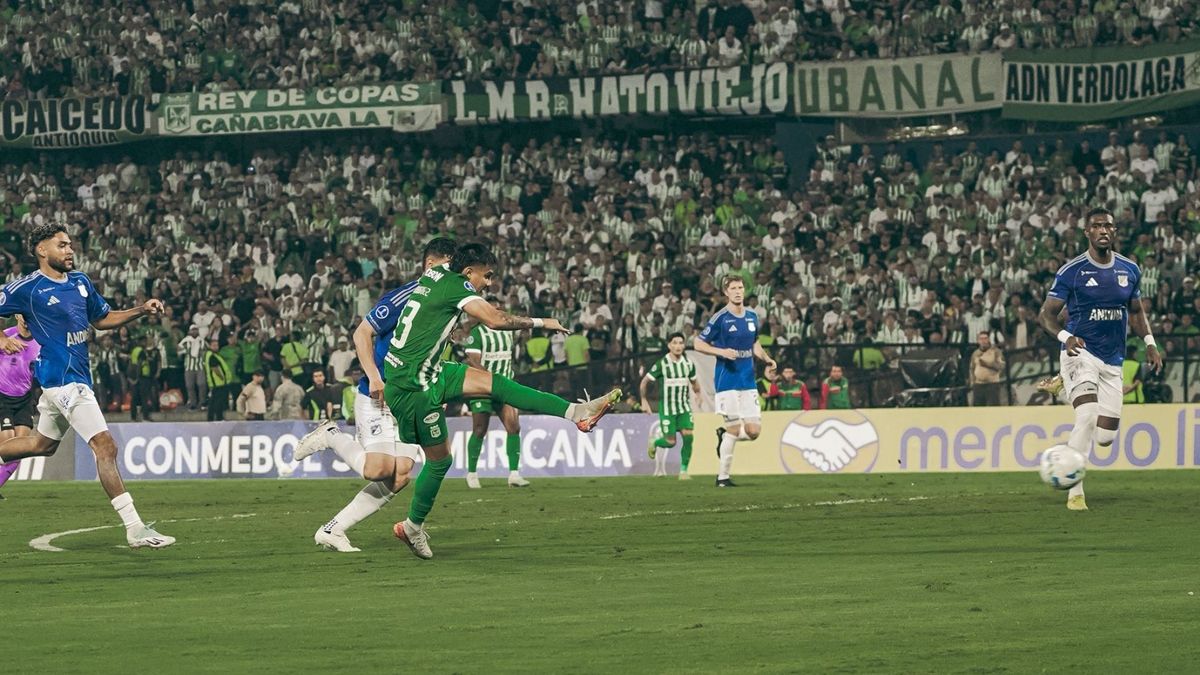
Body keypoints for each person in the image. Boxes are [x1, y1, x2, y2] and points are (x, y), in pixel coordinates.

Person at [300, 242, 618, 560]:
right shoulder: (456, 285)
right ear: (467, 272)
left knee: (497, 385)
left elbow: (442, 300)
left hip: (429, 371)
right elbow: (494, 319)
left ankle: (578, 412)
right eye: (487, 276)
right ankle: (411, 528)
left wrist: (457, 327)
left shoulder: (433, 276)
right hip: (412, 390)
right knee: (434, 462)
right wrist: (540, 323)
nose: (489, 283)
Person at [0, 223, 173, 547]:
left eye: (70, 245)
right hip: (61, 381)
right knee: (105, 447)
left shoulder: (80, 282)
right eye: (62, 245)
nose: (69, 250)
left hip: (75, 379)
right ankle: (135, 528)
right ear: (42, 250)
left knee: (42, 446)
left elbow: (101, 319)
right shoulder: (28, 288)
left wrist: (140, 309)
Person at [291, 238, 456, 552]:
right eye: (448, 269)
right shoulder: (405, 296)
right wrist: (374, 377)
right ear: (431, 265)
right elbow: (361, 333)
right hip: (378, 393)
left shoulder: (446, 301)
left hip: (410, 396)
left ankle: (333, 529)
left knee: (402, 474)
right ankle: (330, 435)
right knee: (378, 470)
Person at [1038, 206, 1162, 511]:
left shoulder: (1129, 270)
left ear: (1115, 231)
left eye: (1108, 226)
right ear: (1087, 232)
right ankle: (1075, 491)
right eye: (1097, 226)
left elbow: (1135, 311)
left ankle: (1063, 388)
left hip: (1112, 360)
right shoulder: (1072, 271)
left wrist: (1149, 343)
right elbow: (1046, 315)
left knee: (1105, 437)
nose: (1103, 230)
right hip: (1080, 354)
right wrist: (1066, 339)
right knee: (1087, 416)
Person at [694, 275, 776, 487]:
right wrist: (720, 351)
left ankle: (724, 435)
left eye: (741, 287)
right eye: (734, 288)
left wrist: (766, 359)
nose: (739, 291)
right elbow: (697, 343)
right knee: (734, 429)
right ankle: (722, 478)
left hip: (748, 380)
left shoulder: (752, 316)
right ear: (726, 293)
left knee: (753, 432)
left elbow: (755, 343)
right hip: (727, 381)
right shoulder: (720, 318)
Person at [464, 297, 530, 489]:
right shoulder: (476, 333)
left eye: (500, 308)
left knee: (514, 427)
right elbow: (474, 361)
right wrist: (490, 379)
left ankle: (514, 474)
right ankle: (472, 473)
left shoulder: (508, 333)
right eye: (495, 308)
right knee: (479, 429)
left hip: (505, 387)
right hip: (483, 388)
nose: (499, 311)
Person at [639, 332, 700, 479]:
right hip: (667, 409)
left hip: (684, 407)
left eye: (681, 343)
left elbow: (694, 382)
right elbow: (644, 382)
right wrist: (644, 400)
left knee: (688, 436)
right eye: (675, 343)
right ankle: (655, 441)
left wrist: (699, 394)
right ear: (669, 345)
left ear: (684, 345)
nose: (678, 346)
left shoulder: (688, 364)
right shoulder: (662, 364)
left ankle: (684, 471)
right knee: (670, 442)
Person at [0, 315, 40, 497]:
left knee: (20, 449)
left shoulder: (41, 343)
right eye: (23, 316)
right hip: (3, 398)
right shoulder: (5, 337)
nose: (27, 320)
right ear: (17, 316)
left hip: (24, 399)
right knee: (7, 442)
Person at [969, 331, 1006, 406]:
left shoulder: (996, 351)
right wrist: (972, 381)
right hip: (978, 385)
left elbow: (1002, 366)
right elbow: (972, 368)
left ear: (989, 339)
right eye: (981, 339)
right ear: (978, 341)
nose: (983, 341)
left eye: (985, 338)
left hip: (992, 385)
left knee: (993, 408)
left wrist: (987, 364)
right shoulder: (975, 353)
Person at [203, 338, 233, 421]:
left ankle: (211, 418)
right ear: (210, 346)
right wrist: (222, 377)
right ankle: (218, 418)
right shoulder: (212, 356)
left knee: (213, 401)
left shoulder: (213, 354)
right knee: (218, 402)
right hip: (218, 383)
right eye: (214, 345)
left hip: (218, 383)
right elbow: (215, 368)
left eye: (217, 345)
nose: (216, 347)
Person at [178, 325, 206, 410]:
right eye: (193, 330)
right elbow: (178, 351)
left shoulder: (202, 341)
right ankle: (192, 403)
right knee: (190, 386)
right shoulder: (185, 341)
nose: (194, 332)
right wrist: (184, 354)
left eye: (196, 330)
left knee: (201, 384)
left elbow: (206, 351)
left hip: (200, 366)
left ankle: (202, 402)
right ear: (189, 331)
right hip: (189, 367)